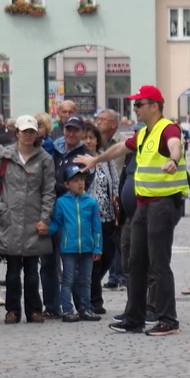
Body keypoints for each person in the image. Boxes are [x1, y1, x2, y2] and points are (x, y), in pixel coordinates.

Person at [79, 85, 187, 336]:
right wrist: (96, 159)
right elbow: (120, 148)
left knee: (159, 263)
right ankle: (134, 318)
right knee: (135, 262)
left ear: (154, 107)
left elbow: (175, 145)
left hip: (163, 204)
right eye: (134, 104)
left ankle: (168, 320)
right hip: (143, 205)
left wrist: (173, 160)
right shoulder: (144, 133)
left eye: (139, 104)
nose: (135, 108)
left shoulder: (167, 128)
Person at [0, 116, 56, 324]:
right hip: (9, 219)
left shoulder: (45, 159)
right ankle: (12, 310)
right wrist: (0, 207)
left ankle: (34, 309)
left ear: (36, 134)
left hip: (34, 219)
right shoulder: (4, 155)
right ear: (17, 133)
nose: (28, 135)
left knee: (32, 270)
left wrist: (45, 218)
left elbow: (49, 190)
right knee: (13, 269)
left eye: (31, 131)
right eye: (24, 131)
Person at [49, 164, 103, 321]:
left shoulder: (91, 202)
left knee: (86, 280)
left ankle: (85, 308)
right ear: (66, 184)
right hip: (69, 248)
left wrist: (97, 247)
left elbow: (97, 227)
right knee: (68, 280)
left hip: (87, 247)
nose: (80, 183)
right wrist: (46, 229)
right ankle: (67, 310)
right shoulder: (62, 202)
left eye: (82, 180)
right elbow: (57, 222)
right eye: (75, 181)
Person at [86, 113, 121, 315]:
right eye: (85, 138)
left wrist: (116, 205)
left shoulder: (106, 159)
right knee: (95, 261)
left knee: (108, 256)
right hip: (87, 218)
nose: (88, 141)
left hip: (106, 216)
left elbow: (114, 183)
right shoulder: (79, 159)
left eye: (91, 137)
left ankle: (88, 287)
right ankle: (95, 300)